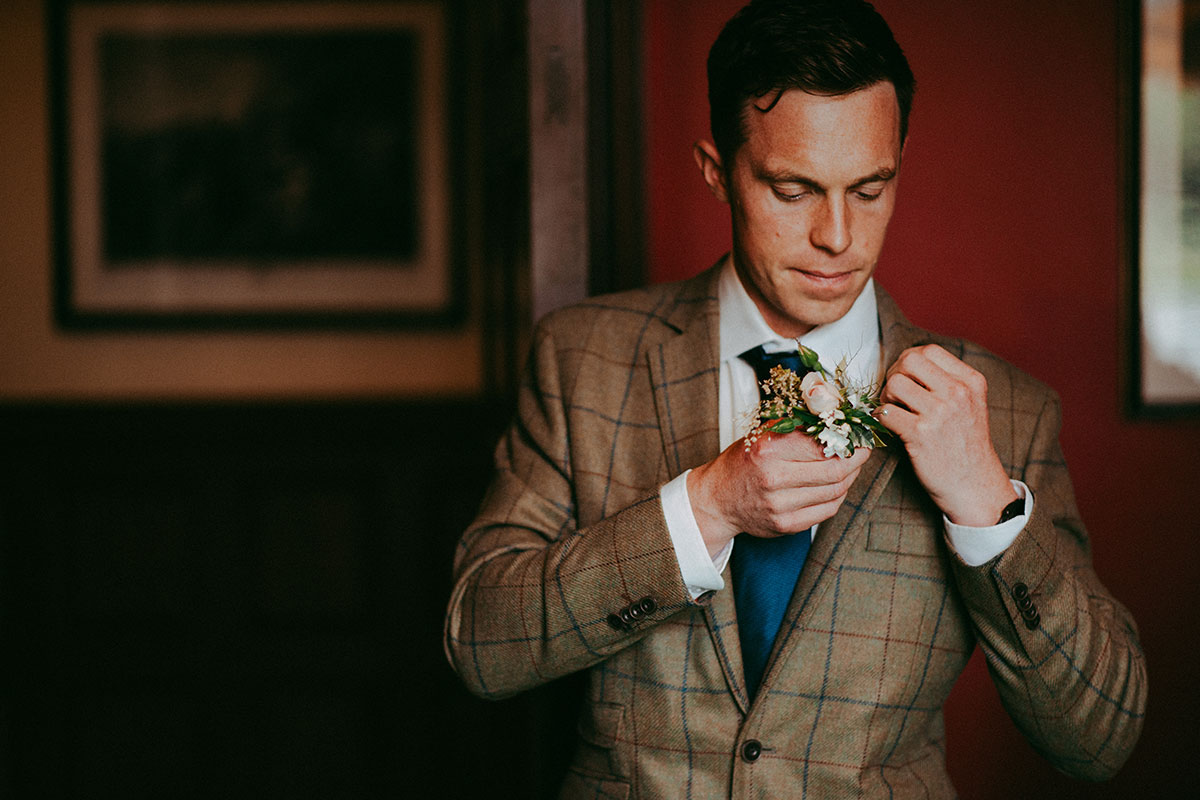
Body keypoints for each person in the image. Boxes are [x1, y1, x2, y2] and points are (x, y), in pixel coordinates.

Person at [444, 1, 1147, 796]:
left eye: (871, 189)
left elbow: (1100, 738)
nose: (838, 237)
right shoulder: (584, 360)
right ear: (717, 171)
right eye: (792, 190)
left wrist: (987, 507)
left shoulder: (1007, 412)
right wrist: (704, 507)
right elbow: (480, 645)